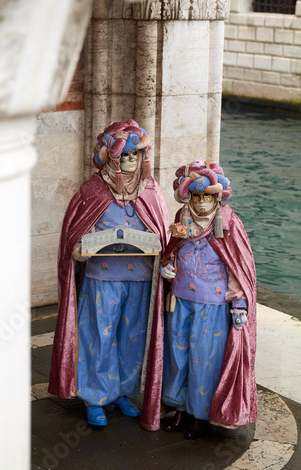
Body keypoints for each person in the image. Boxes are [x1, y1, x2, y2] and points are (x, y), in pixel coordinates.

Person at [48, 120, 170, 430]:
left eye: (136, 155)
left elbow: (163, 234)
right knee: (98, 337)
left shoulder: (151, 190)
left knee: (131, 338)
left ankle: (121, 392)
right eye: (125, 155)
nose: (131, 161)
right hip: (102, 278)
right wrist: (78, 248)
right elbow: (75, 233)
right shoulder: (93, 189)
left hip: (141, 278)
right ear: (112, 157)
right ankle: (95, 397)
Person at [160, 159, 257, 439]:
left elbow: (238, 265)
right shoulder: (182, 217)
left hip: (212, 305)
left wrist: (239, 303)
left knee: (204, 360)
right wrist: (168, 266)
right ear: (187, 195)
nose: (202, 203)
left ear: (217, 196)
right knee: (178, 356)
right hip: (179, 299)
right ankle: (179, 407)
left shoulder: (228, 222)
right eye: (196, 196)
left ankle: (200, 414)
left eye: (207, 196)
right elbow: (172, 250)